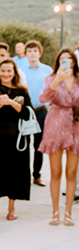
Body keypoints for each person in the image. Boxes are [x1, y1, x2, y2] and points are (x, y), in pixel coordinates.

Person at [38, 48, 79, 226]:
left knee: (71, 172)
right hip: (55, 124)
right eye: (62, 59)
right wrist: (57, 80)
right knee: (55, 172)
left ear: (74, 61)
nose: (66, 62)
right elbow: (43, 97)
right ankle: (55, 212)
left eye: (69, 59)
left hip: (75, 125)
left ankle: (68, 212)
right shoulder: (51, 78)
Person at [0, 59, 31, 221]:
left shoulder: (21, 90)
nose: (5, 74)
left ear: (14, 72)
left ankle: (12, 208)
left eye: (9, 71)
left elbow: (26, 113)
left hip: (17, 138)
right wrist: (0, 104)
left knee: (15, 172)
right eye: (2, 71)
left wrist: (11, 102)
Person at [24, 39, 53, 187]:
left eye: (35, 51)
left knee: (38, 146)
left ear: (39, 53)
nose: (32, 53)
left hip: (41, 112)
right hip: (25, 112)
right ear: (26, 53)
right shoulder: (20, 69)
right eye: (29, 51)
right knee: (23, 145)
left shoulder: (47, 70)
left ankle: (36, 175)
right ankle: (23, 176)